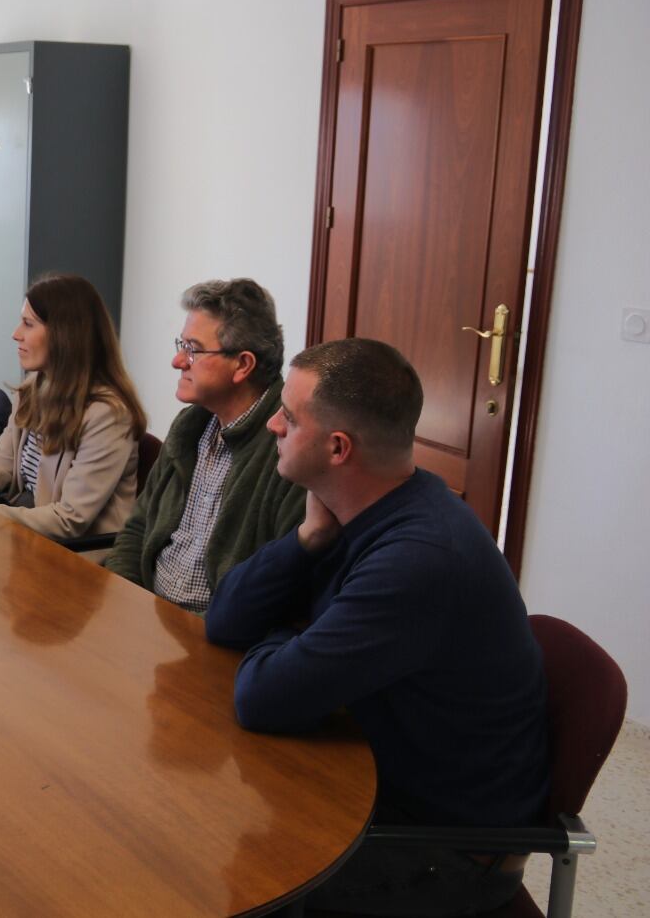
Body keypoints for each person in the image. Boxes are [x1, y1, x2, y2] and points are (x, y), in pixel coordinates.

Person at [206, 339, 548, 916]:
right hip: (371, 778)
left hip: (440, 850)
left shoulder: (420, 557)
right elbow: (226, 619)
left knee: (201, 870)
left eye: (288, 417)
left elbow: (262, 697)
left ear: (338, 448)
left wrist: (294, 633)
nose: (272, 426)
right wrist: (305, 542)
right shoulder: (350, 511)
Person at [101, 278, 303, 610]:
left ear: (242, 365)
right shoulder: (191, 425)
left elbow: (281, 593)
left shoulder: (287, 448)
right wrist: (124, 602)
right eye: (180, 345)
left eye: (192, 349)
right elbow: (137, 530)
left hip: (213, 640)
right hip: (146, 613)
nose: (178, 361)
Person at [0, 273, 148, 544]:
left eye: (28, 324)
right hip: (30, 532)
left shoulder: (108, 415)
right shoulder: (34, 389)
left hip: (77, 555)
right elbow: (1, 463)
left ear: (65, 335)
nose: (16, 334)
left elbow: (71, 519)